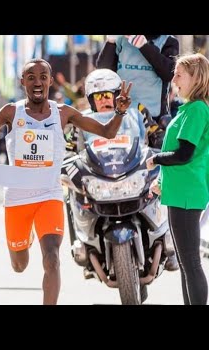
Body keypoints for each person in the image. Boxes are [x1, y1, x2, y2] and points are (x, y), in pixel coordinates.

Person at [0, 58, 132, 305]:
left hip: (49, 195)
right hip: (17, 198)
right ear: (23, 83)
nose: (38, 82)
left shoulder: (63, 113)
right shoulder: (11, 112)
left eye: (43, 77)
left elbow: (108, 132)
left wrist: (119, 112)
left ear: (51, 81)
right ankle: (27, 235)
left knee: (51, 258)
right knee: (19, 265)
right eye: (31, 77)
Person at [75, 68, 179, 271]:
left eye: (107, 95)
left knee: (162, 184)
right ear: (90, 99)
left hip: (132, 169)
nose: (103, 100)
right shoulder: (83, 120)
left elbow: (155, 134)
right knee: (72, 191)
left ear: (117, 96)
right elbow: (70, 148)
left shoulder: (137, 111)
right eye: (98, 97)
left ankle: (169, 239)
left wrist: (161, 146)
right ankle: (82, 243)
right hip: (100, 175)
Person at [146, 53, 209, 305]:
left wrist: (156, 159)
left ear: (196, 78)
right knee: (186, 263)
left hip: (186, 193)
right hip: (181, 191)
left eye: (179, 74)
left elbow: (184, 154)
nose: (173, 79)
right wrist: (161, 180)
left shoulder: (196, 110)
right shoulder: (189, 109)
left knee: (191, 262)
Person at [97, 35, 179, 121]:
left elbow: (169, 74)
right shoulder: (120, 40)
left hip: (154, 118)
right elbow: (103, 73)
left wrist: (144, 46)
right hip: (122, 115)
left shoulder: (168, 40)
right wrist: (111, 42)